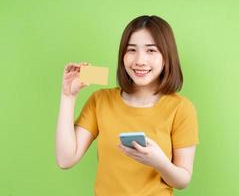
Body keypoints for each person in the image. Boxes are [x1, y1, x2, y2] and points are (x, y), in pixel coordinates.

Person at [55, 15, 199, 196]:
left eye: (151, 51)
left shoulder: (181, 108)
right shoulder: (100, 100)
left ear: (166, 57)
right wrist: (68, 96)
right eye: (131, 50)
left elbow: (182, 180)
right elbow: (65, 159)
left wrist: (159, 162)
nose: (140, 60)